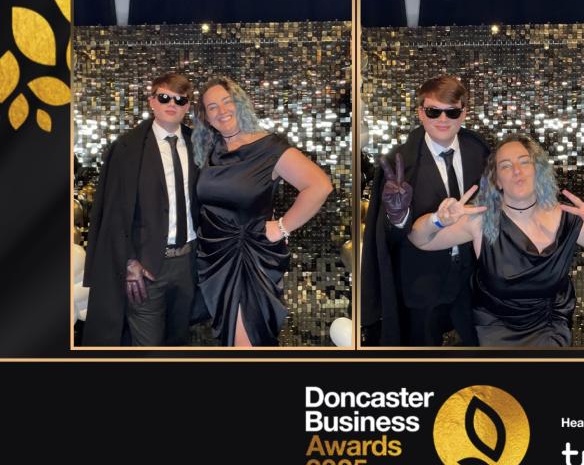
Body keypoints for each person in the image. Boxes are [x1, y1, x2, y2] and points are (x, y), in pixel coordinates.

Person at [407, 133, 584, 347]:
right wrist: (438, 220)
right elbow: (420, 239)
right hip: (494, 331)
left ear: (537, 170)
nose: (517, 170)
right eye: (506, 166)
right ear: (497, 180)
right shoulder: (481, 220)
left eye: (524, 162)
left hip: (550, 327)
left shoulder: (567, 217)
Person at [192, 76, 332, 347]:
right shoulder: (209, 151)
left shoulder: (268, 147)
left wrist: (281, 227)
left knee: (247, 340)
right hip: (214, 258)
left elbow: (320, 186)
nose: (222, 111)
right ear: (206, 117)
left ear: (240, 104)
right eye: (212, 107)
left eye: (227, 102)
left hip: (249, 256)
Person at [360, 75, 490, 346]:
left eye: (451, 112)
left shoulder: (479, 152)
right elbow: (386, 239)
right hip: (420, 281)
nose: (443, 119)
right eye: (433, 111)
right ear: (421, 112)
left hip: (473, 280)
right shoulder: (400, 163)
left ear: (464, 113)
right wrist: (398, 217)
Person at [83, 72, 200, 346]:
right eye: (164, 97)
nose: (172, 104)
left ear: (187, 106)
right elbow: (114, 213)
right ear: (152, 101)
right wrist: (129, 261)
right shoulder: (127, 149)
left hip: (189, 264)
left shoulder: (200, 145)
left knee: (178, 341)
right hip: (145, 268)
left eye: (180, 100)